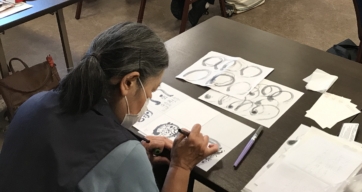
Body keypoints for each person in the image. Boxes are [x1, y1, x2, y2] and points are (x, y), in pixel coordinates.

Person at [0, 22, 217, 192]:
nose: (150, 97)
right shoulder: (124, 155)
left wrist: (127, 160)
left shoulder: (35, 103)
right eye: (152, 90)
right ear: (129, 83)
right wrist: (181, 165)